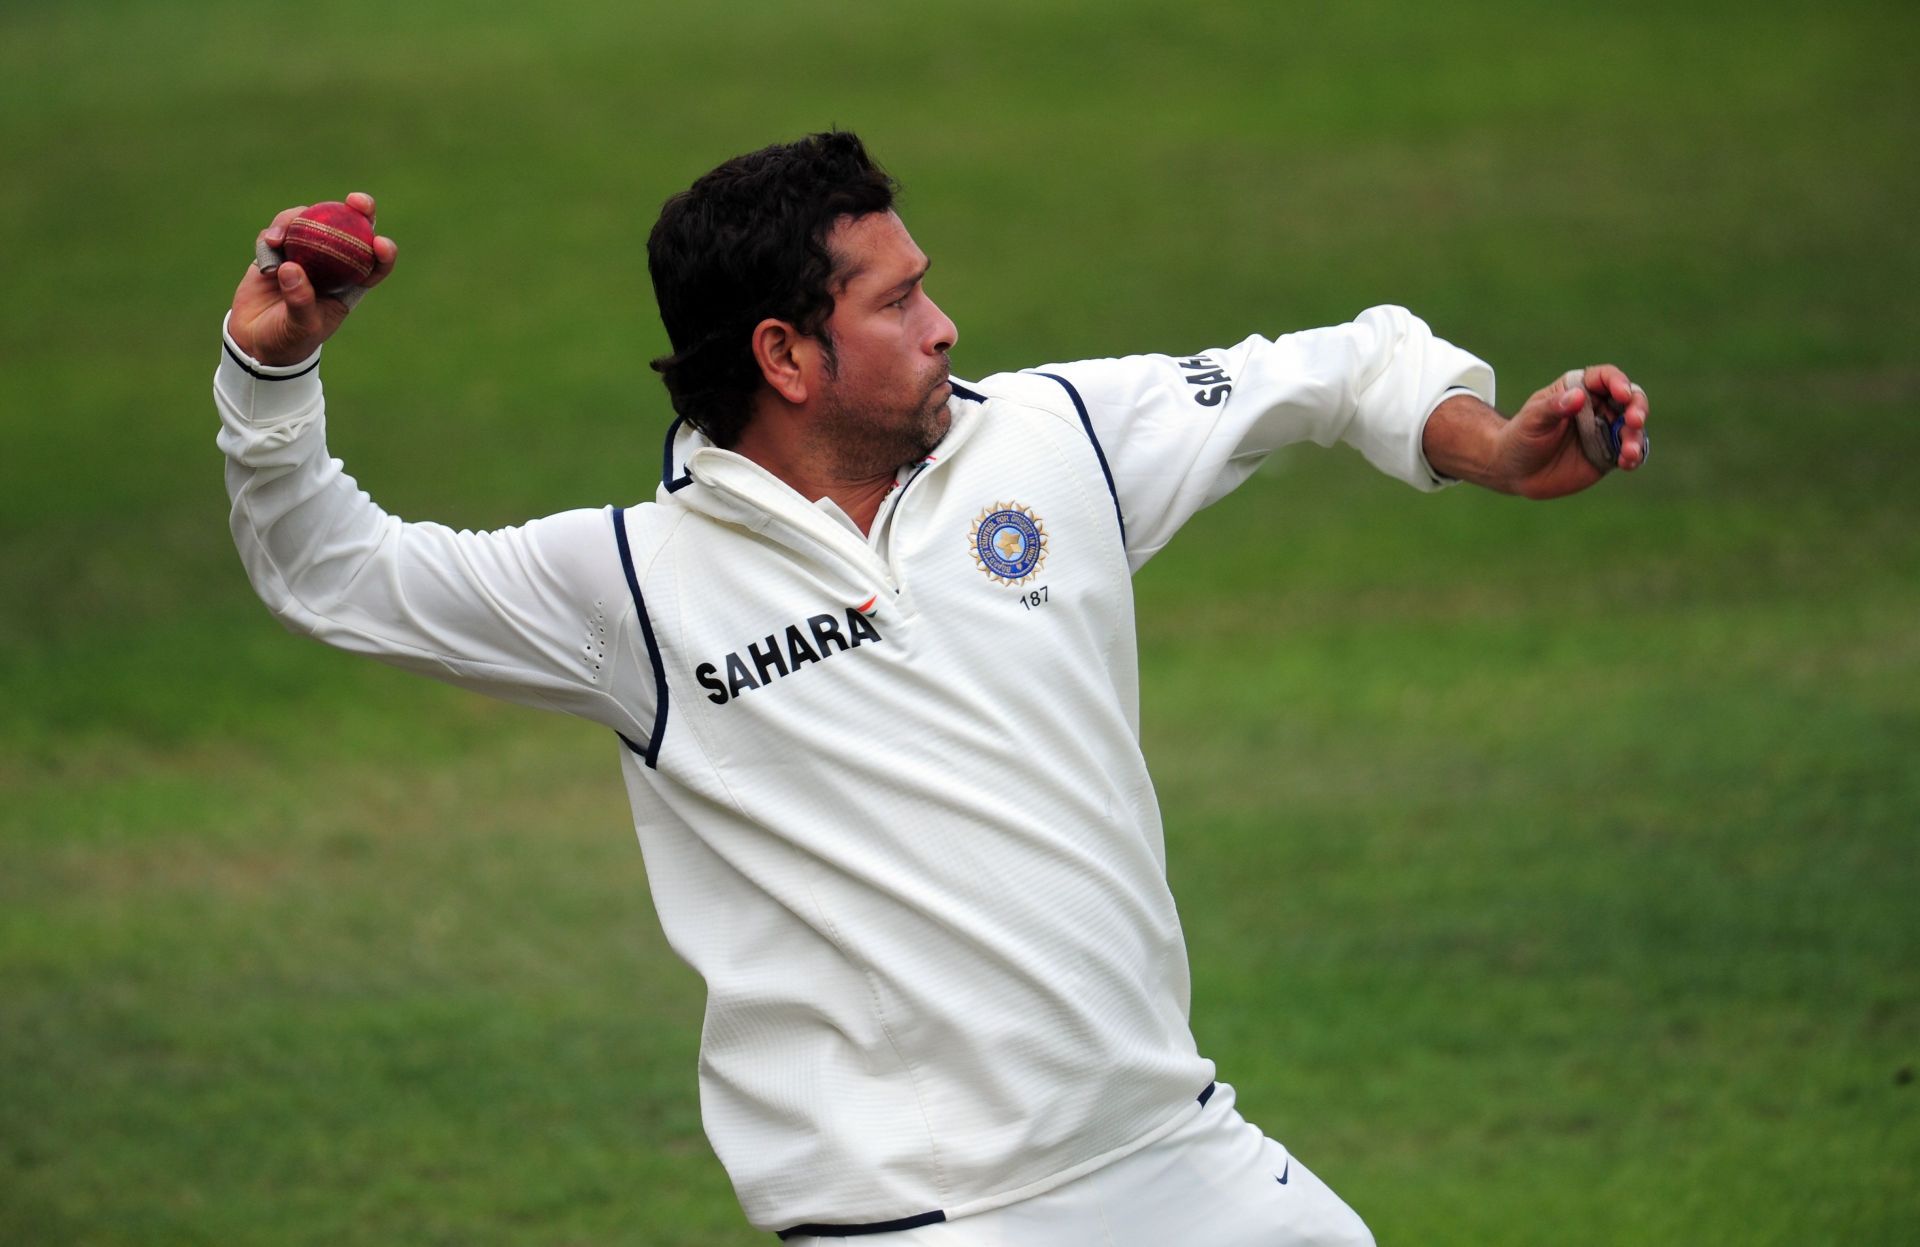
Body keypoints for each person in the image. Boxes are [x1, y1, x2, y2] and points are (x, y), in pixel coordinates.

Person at [216, 131, 1649, 1245]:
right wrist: (271, 381)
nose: (946, 325)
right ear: (783, 354)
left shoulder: (1051, 440)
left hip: (1170, 1150)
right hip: (909, 1215)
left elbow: (1333, 373)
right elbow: (331, 571)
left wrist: (1489, 446)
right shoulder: (631, 592)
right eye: (898, 302)